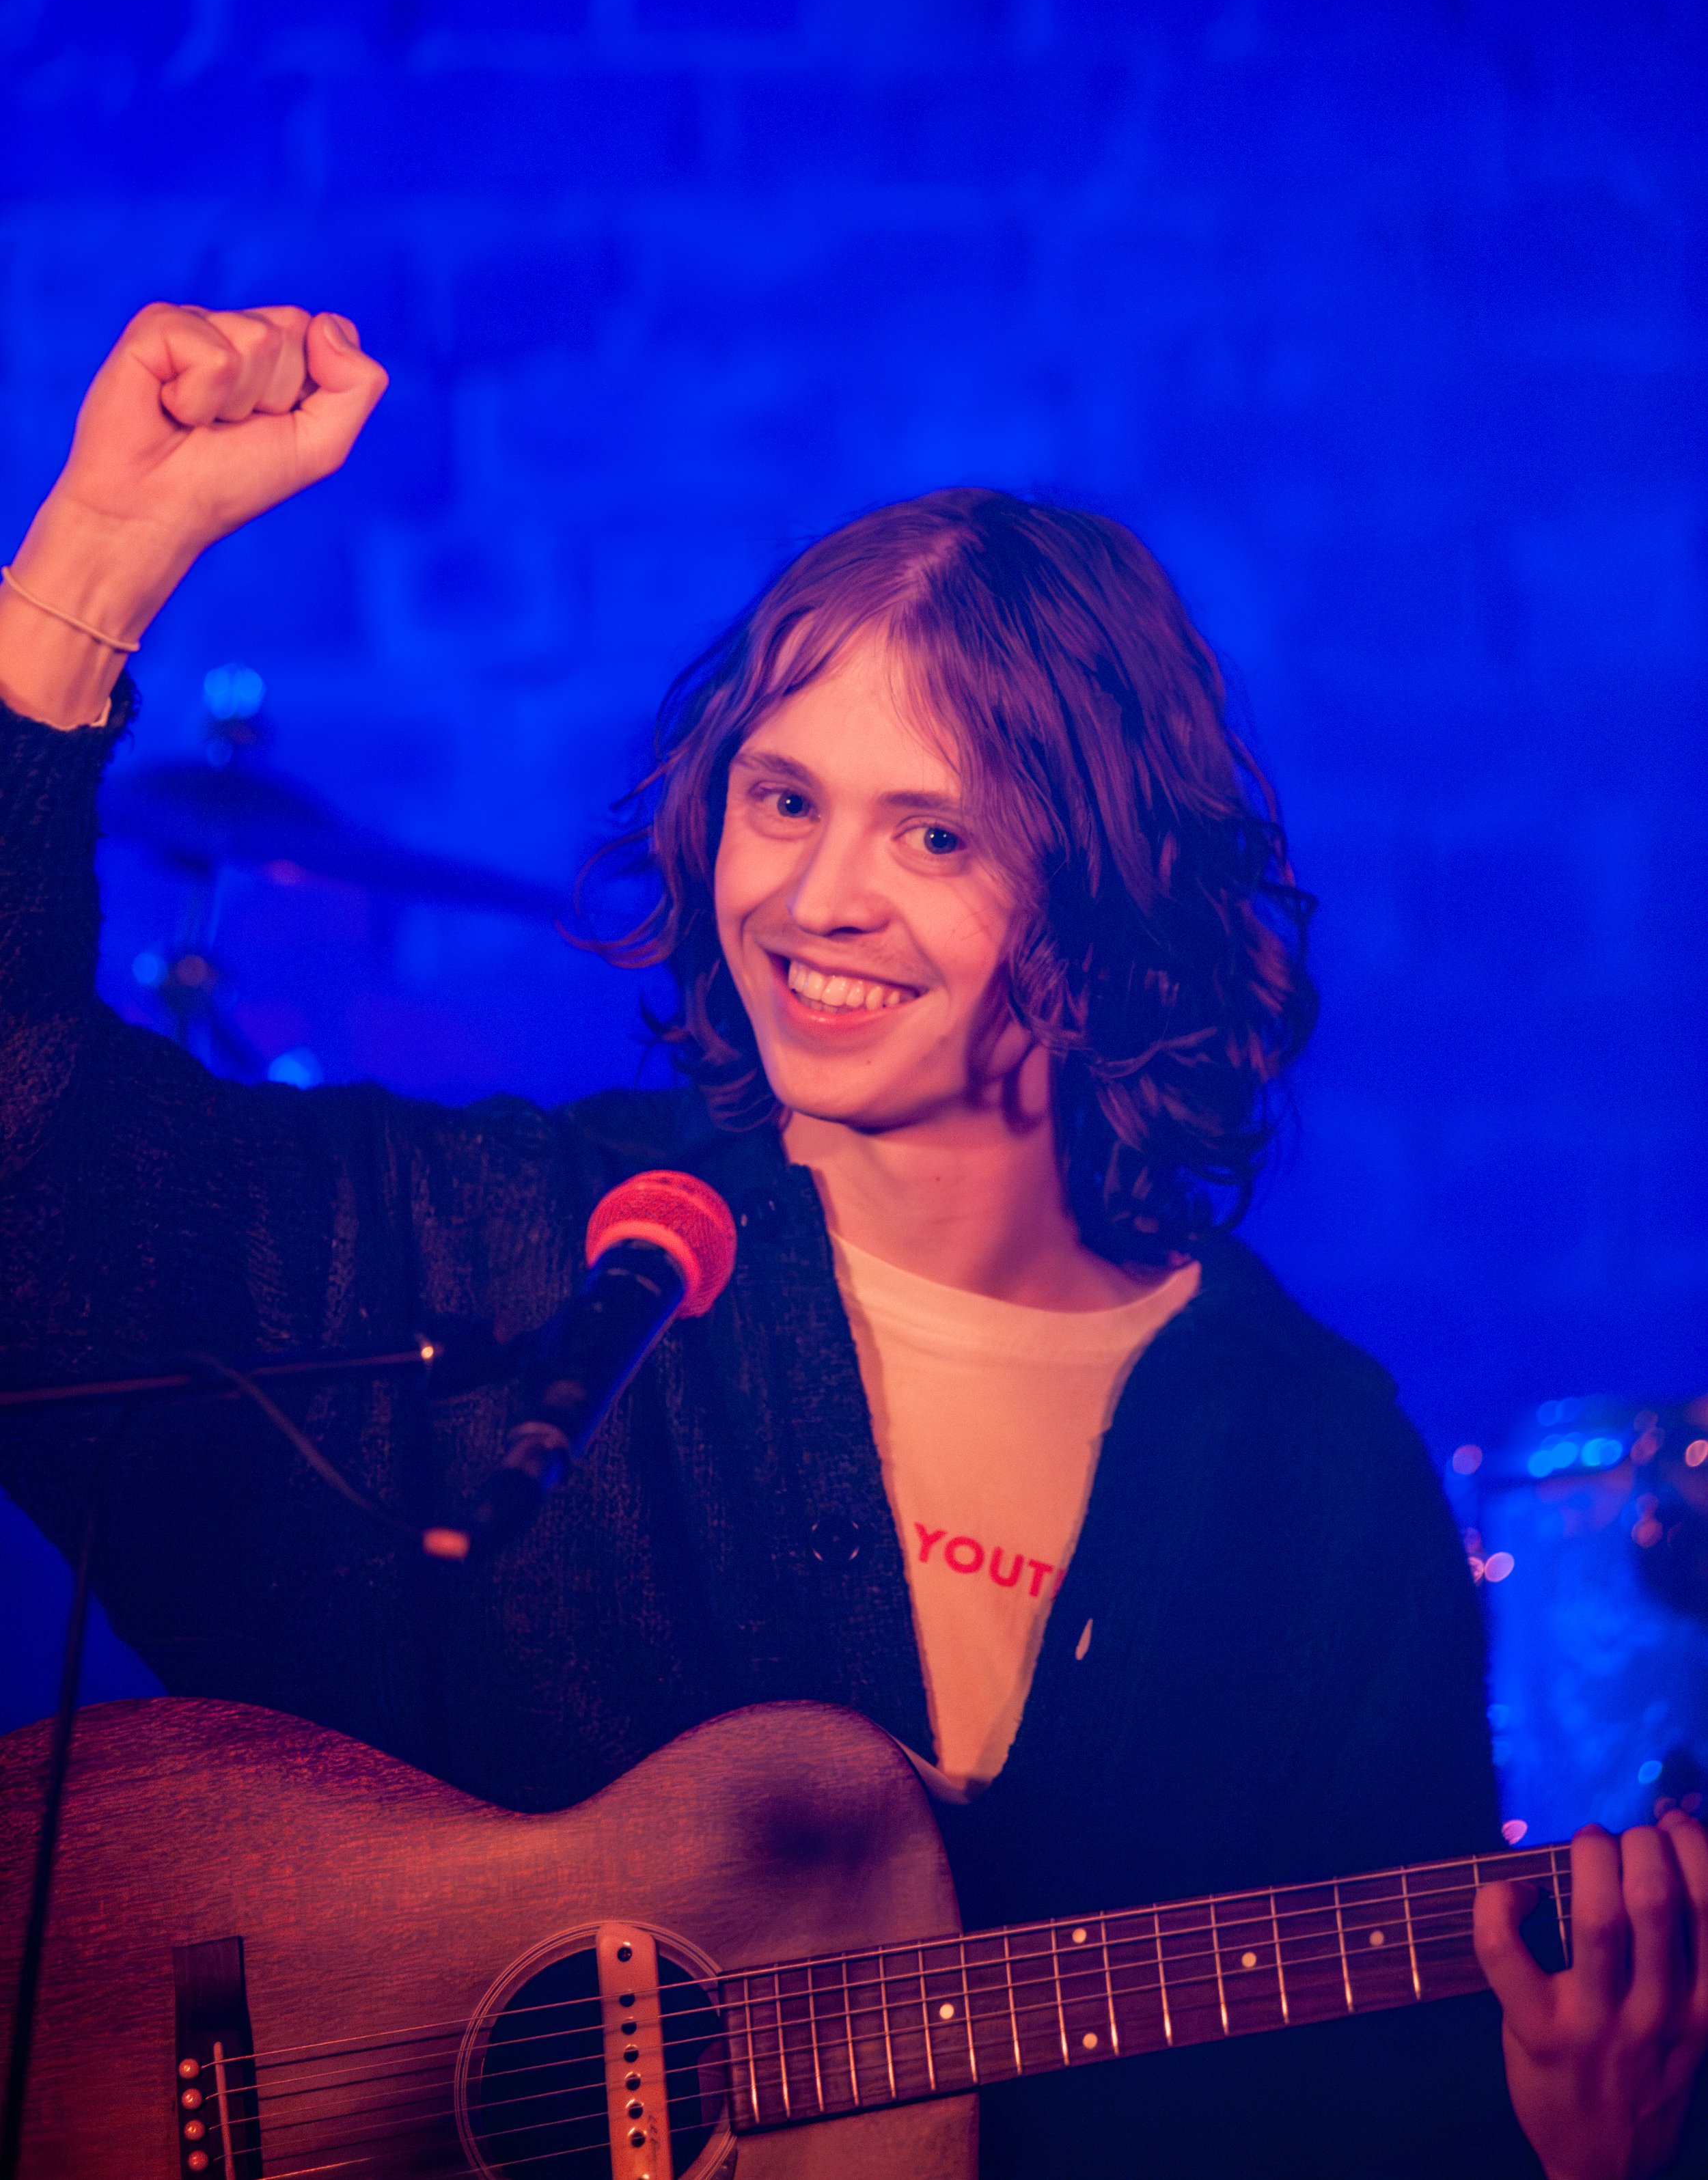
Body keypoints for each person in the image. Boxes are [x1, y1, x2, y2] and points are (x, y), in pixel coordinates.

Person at [1, 301, 1705, 2179]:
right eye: (782, 800)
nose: (817, 900)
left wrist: (1572, 2148)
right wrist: (94, 559)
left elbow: (1374, 2132)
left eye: (934, 839)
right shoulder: (515, 1259)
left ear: (1107, 891)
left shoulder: (1304, 1471)